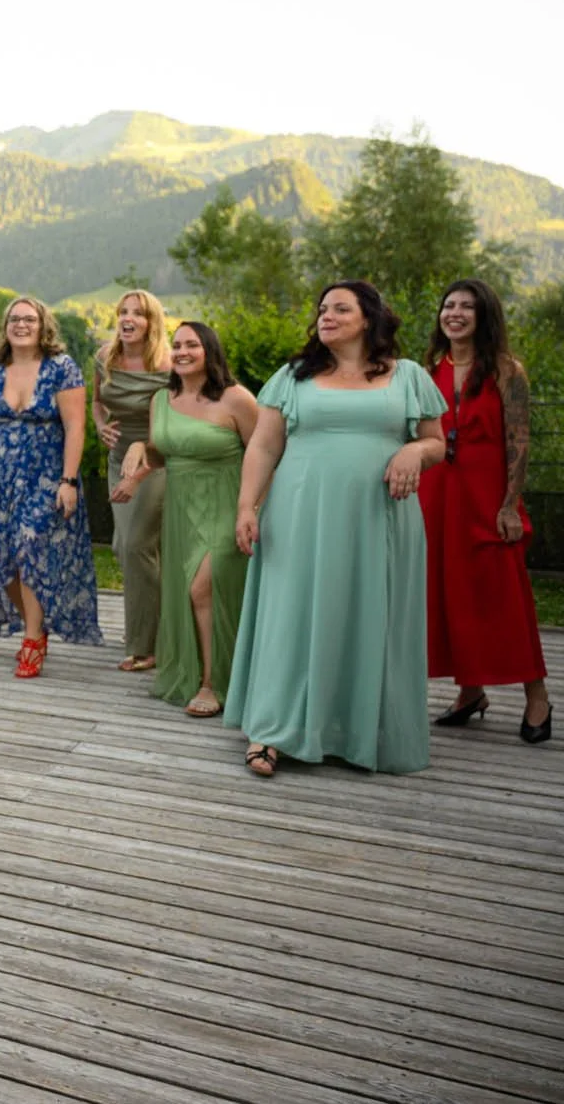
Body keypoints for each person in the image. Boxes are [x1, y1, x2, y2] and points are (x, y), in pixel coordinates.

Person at [228, 281, 446, 778]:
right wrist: (246, 507)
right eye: (323, 309)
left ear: (368, 318)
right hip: (301, 514)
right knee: (291, 615)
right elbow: (263, 447)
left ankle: (356, 731)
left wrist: (413, 450)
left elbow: (436, 444)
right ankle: (271, 730)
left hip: (381, 517)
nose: (326, 315)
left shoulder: (408, 375)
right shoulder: (292, 377)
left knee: (371, 614)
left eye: (340, 309)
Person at [420, 279, 551, 743]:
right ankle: (470, 692)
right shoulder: (428, 369)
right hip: (437, 496)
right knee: (448, 592)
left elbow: (519, 439)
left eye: (467, 307)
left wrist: (510, 504)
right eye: (449, 305)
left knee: (504, 595)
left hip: (486, 498)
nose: (455, 313)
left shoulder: (506, 370)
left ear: (484, 316)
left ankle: (537, 698)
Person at [112, 322, 256, 717]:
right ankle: (200, 673)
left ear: (210, 349)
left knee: (202, 590)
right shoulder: (162, 398)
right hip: (181, 507)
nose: (182, 352)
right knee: (193, 593)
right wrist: (139, 457)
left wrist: (253, 510)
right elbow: (166, 452)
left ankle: (215, 684)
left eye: (192, 344)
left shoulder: (236, 399)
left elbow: (267, 454)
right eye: (176, 345)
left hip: (227, 502)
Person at [0, 297, 101, 676]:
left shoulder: (61, 368)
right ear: (5, 326)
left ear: (43, 325)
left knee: (29, 545)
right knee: (2, 563)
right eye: (14, 319)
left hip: (47, 474)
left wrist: (68, 480)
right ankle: (35, 625)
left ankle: (33, 639)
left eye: (29, 319)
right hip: (5, 478)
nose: (21, 325)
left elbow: (75, 426)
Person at [94, 290, 172, 673]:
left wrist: (145, 449)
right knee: (125, 546)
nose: (128, 319)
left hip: (158, 460)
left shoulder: (170, 365)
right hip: (117, 460)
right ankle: (157, 629)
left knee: (138, 543)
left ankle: (148, 644)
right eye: (123, 312)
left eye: (138, 314)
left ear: (152, 321)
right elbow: (96, 403)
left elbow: (181, 418)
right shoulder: (104, 357)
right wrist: (100, 428)